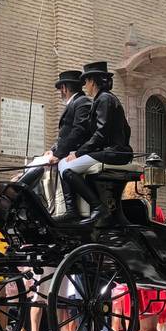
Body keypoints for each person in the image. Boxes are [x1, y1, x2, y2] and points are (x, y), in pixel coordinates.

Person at [56, 61, 133, 224]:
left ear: (92, 81)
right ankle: (73, 210)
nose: (85, 86)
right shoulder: (103, 99)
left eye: (86, 81)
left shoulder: (104, 99)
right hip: (111, 150)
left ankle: (97, 207)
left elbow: (100, 133)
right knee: (64, 164)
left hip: (114, 152)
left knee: (66, 167)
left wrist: (78, 153)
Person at [18, 70, 93, 188]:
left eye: (60, 90)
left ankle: (19, 188)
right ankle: (18, 185)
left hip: (72, 153)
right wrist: (53, 150)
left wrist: (58, 154)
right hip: (65, 151)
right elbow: (65, 134)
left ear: (64, 88)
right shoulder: (75, 102)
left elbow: (78, 130)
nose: (60, 93)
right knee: (35, 164)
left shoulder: (82, 102)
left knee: (39, 168)